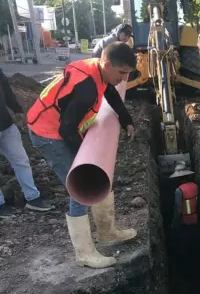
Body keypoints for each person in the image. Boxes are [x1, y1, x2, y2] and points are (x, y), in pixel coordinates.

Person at [26, 42, 137, 268]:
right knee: (80, 187)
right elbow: (66, 129)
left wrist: (126, 120)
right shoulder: (86, 85)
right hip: (47, 133)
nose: (125, 79)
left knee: (98, 177)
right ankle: (84, 253)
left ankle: (107, 232)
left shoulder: (99, 73)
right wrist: (89, 162)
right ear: (107, 64)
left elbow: (111, 94)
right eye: (122, 73)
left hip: (61, 128)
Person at [0, 69, 52, 219]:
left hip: (6, 125)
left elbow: (6, 89)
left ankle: (32, 198)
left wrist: (16, 109)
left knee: (21, 161)